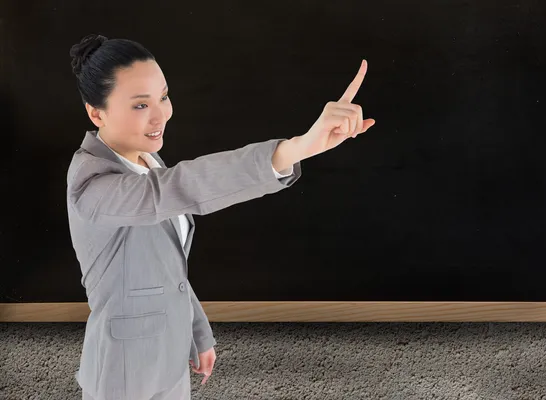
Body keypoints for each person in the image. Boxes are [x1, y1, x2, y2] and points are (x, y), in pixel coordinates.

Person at [66, 33, 375, 400]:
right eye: (139, 105)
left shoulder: (147, 161)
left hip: (168, 361)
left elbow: (163, 270)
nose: (161, 114)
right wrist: (294, 149)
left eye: (163, 96)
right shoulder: (92, 184)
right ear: (95, 112)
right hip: (122, 374)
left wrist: (197, 331)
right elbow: (182, 187)